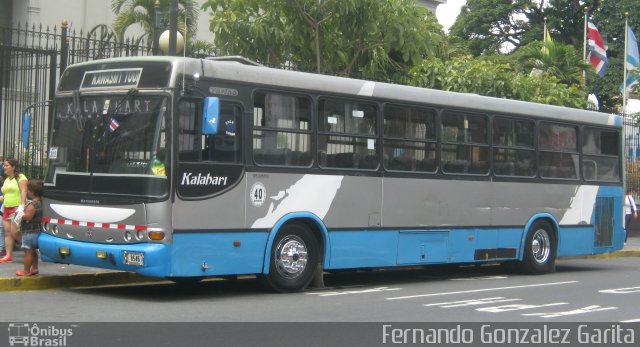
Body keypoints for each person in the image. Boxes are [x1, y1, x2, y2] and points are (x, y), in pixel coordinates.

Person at [0, 158, 28, 263]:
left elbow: (24, 191)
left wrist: (22, 206)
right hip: (6, 207)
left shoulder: (21, 177)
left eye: (6, 165)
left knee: (15, 232)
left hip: (16, 208)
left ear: (13, 167)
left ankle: (30, 248)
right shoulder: (7, 180)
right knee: (7, 233)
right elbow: (5, 195)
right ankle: (8, 255)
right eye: (4, 165)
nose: (4, 167)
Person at [16, 179, 43, 276]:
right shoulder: (41, 202)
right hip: (38, 231)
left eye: (28, 190)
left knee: (28, 252)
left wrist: (21, 214)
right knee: (33, 251)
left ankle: (26, 271)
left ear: (32, 192)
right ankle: (34, 268)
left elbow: (28, 217)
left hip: (30, 232)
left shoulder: (32, 205)